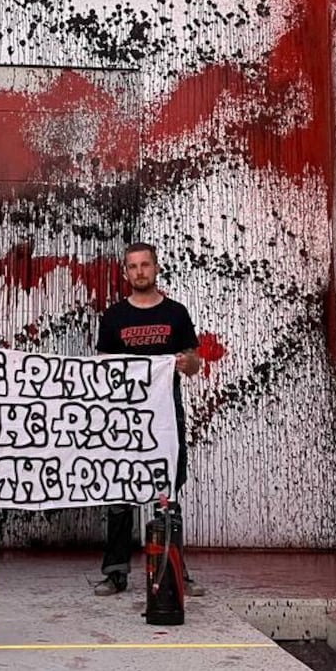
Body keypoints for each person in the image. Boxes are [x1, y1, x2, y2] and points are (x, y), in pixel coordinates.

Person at [91, 242, 207, 597]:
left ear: (156, 268)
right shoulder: (113, 318)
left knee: (167, 490)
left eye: (145, 265)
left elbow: (194, 361)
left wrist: (188, 364)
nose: (139, 271)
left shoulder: (175, 313)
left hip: (166, 414)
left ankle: (174, 570)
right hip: (124, 415)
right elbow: (103, 369)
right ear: (125, 273)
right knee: (119, 493)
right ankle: (116, 573)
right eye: (132, 266)